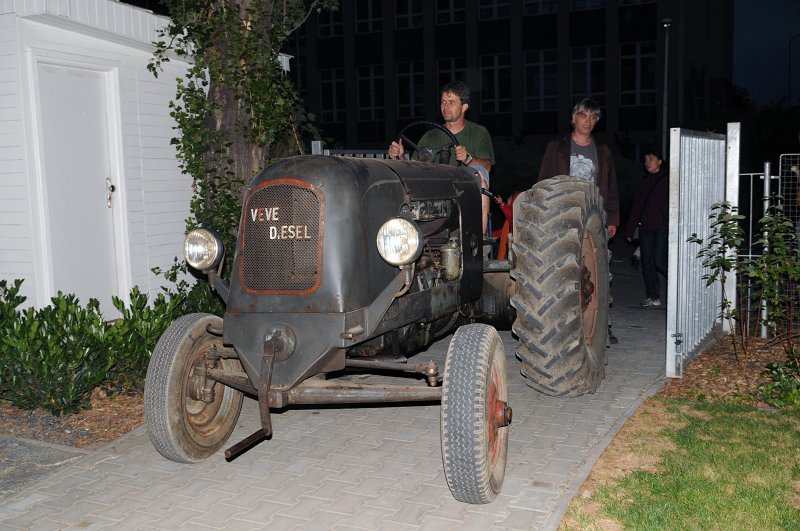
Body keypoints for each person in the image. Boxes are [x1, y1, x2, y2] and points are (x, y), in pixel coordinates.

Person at [388, 81, 495, 235]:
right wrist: (398, 157)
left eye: (451, 102)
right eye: (443, 102)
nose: (445, 106)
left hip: (464, 190)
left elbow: (487, 166)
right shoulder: (430, 136)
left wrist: (468, 159)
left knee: (479, 175)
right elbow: (412, 170)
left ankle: (479, 239)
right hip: (434, 191)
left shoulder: (478, 133)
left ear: (464, 106)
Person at [537, 98, 620, 236]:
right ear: (574, 118)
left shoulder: (603, 151)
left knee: (590, 256)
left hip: (594, 214)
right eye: (583, 116)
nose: (588, 121)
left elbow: (612, 187)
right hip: (561, 213)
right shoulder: (556, 147)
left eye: (593, 117)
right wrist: (541, 212)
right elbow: (543, 181)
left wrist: (612, 219)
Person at [625, 150, 669, 307]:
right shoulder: (644, 182)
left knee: (659, 261)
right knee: (647, 262)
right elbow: (637, 207)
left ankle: (677, 286)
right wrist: (630, 230)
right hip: (645, 228)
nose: (648, 162)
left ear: (660, 161)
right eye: (645, 159)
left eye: (651, 158)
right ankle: (653, 296)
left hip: (661, 228)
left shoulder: (667, 181)